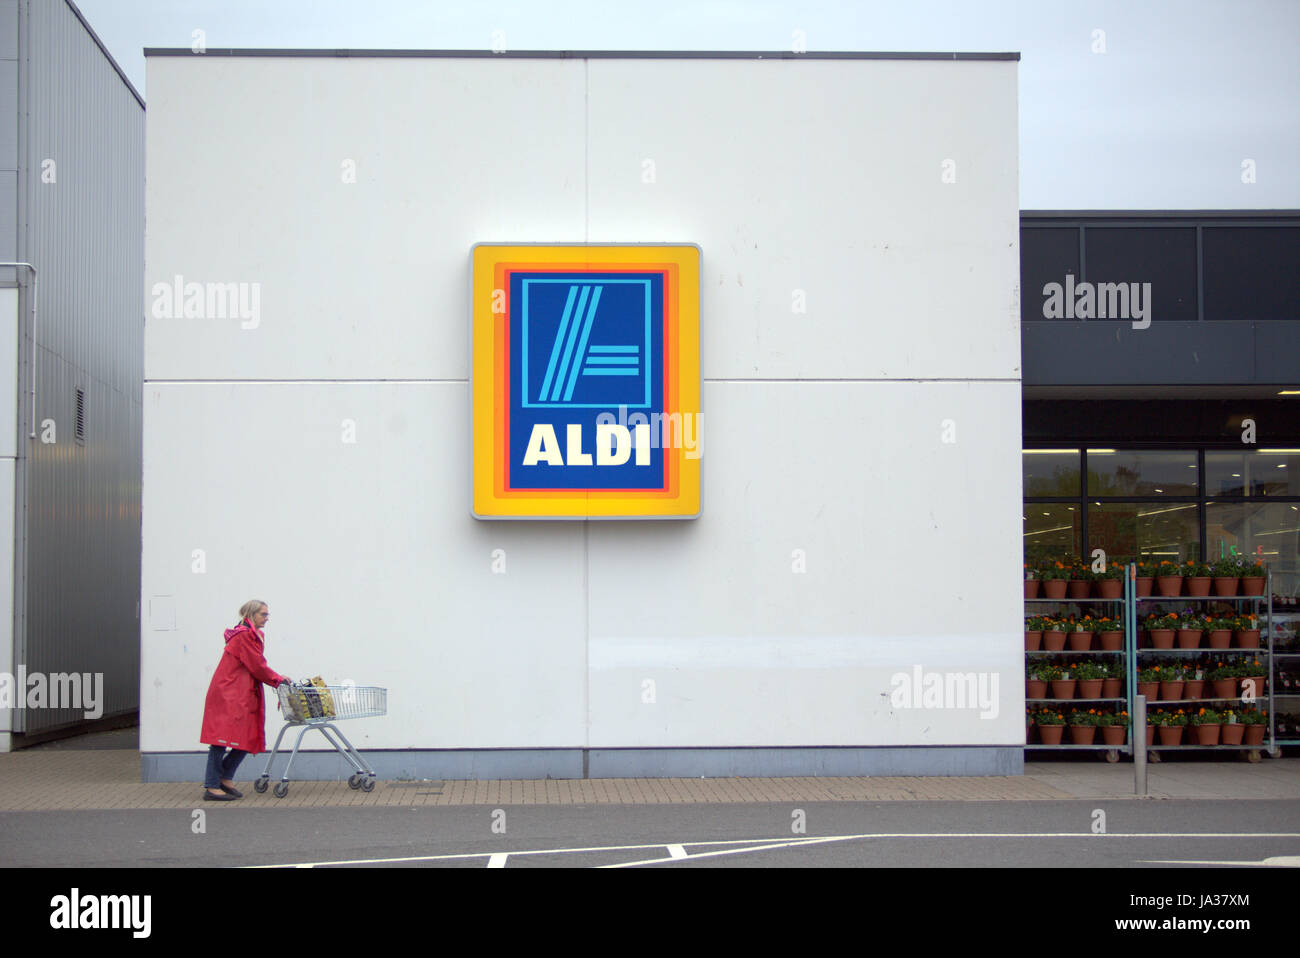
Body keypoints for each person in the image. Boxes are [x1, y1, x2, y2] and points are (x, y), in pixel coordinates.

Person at [199, 600, 290, 801]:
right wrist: (278, 679)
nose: (267, 618)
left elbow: (256, 666)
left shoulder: (252, 635)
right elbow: (257, 666)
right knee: (220, 739)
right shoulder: (244, 636)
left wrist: (276, 678)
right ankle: (212, 785)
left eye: (267, 615)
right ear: (251, 614)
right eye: (263, 614)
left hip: (240, 691)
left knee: (247, 736)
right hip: (229, 692)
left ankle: (224, 778)